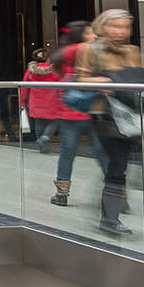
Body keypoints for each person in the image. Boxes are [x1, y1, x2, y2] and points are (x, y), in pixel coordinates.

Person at [73, 9, 144, 237]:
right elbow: (81, 79)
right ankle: (110, 217)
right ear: (103, 26)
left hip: (132, 114)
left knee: (120, 166)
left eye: (125, 27)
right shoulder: (89, 50)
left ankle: (110, 210)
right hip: (104, 114)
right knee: (116, 165)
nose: (120, 31)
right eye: (115, 26)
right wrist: (112, 79)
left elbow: (139, 79)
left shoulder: (133, 51)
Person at [46, 21, 105, 207]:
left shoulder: (64, 53)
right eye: (89, 33)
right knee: (103, 152)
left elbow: (56, 73)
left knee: (67, 153)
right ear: (81, 35)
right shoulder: (87, 50)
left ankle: (62, 194)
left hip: (69, 109)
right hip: (93, 108)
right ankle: (117, 193)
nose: (93, 36)